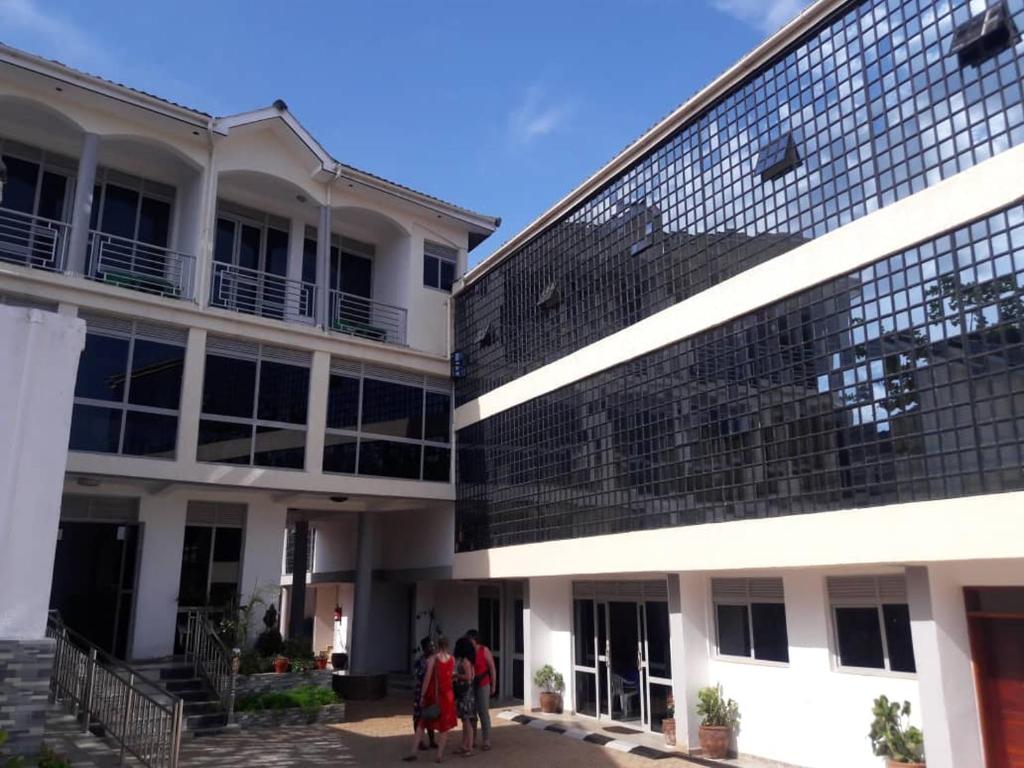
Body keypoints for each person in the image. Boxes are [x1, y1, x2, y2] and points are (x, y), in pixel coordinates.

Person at [407, 635, 456, 763]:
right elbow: (450, 677)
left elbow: (427, 679)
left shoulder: (433, 659)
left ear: (438, 645)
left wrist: (422, 696)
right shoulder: (452, 660)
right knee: (444, 727)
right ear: (448, 645)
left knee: (422, 723)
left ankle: (414, 751)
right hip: (447, 696)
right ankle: (439, 755)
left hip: (433, 695)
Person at [466, 629, 497, 752]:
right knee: (472, 713)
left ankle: (486, 740)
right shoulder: (468, 652)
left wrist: (494, 685)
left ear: (475, 639)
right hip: (471, 684)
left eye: (470, 639)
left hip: (483, 683)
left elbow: (492, 668)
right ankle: (472, 739)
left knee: (483, 711)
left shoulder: (484, 651)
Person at [409, 637, 437, 754]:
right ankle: (419, 741)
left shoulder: (435, 660)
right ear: (424, 648)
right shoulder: (420, 661)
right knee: (418, 717)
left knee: (430, 715)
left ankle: (432, 740)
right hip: (420, 692)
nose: (432, 648)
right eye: (430, 646)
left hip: (431, 692)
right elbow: (419, 676)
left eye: (433, 645)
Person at [452, 636, 478, 756]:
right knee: (465, 720)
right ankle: (464, 745)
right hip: (465, 693)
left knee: (467, 721)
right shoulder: (465, 660)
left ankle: (469, 747)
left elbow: (468, 677)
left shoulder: (465, 662)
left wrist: (456, 675)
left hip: (466, 694)